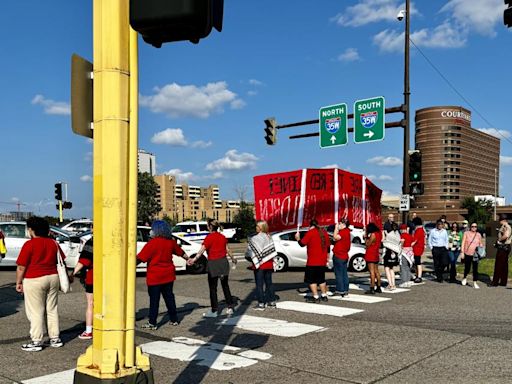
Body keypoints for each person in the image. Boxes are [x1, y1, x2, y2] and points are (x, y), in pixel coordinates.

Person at [15, 216, 65, 351]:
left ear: (31, 230)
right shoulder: (53, 243)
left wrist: (18, 282)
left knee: (36, 311)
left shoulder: (29, 244)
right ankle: (55, 338)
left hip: (34, 279)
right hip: (53, 277)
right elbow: (61, 260)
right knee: (52, 309)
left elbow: (21, 267)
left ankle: (36, 341)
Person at [137, 220, 190, 329]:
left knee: (154, 301)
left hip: (155, 276)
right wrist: (189, 259)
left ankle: (152, 322)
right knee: (169, 297)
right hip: (168, 275)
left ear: (155, 231)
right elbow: (181, 252)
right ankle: (174, 319)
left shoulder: (152, 244)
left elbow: (140, 258)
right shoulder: (170, 242)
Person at [188, 219, 237, 318]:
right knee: (225, 286)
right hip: (223, 263)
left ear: (210, 227)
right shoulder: (222, 237)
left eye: (207, 225)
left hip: (213, 264)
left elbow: (201, 251)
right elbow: (227, 249)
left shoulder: (209, 237)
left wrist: (194, 260)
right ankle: (230, 307)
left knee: (213, 288)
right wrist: (233, 258)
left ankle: (214, 311)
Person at [295, 219, 330, 303]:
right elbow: (328, 247)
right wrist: (327, 257)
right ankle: (324, 295)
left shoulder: (310, 233)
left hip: (312, 261)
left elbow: (302, 244)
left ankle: (316, 296)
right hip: (322, 261)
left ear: (310, 226)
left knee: (312, 280)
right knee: (321, 279)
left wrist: (297, 238)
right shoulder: (324, 232)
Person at [247, 220, 277, 310]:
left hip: (260, 265)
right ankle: (272, 302)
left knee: (259, 284)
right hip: (269, 263)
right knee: (269, 284)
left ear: (260, 227)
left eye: (257, 226)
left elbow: (250, 252)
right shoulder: (269, 237)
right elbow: (272, 250)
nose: (255, 228)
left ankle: (261, 304)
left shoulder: (254, 238)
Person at [70, 236, 94, 339]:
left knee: (91, 303)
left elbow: (84, 261)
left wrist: (72, 274)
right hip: (110, 277)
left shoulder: (92, 241)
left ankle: (89, 331)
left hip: (93, 276)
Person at [460, 222, 484, 289]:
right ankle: (465, 277)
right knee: (467, 267)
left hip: (475, 254)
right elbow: (463, 242)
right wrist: (462, 252)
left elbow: (480, 243)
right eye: (473, 226)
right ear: (470, 227)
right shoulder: (466, 233)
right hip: (467, 253)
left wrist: (481, 247)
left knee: (475, 269)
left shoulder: (478, 234)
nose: (474, 228)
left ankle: (475, 282)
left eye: (475, 226)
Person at [491, 214, 511, 287]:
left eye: (500, 220)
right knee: (504, 265)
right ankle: (503, 282)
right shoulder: (505, 226)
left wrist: (498, 240)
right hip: (506, 247)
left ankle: (495, 282)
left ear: (503, 220)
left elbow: (506, 235)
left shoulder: (506, 226)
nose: (499, 221)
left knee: (498, 265)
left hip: (503, 247)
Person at [332, 218, 351, 296]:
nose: (338, 225)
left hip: (339, 255)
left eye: (339, 224)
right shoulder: (347, 232)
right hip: (344, 255)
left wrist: (336, 228)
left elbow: (335, 237)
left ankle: (340, 290)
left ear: (343, 224)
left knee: (339, 274)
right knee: (344, 273)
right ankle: (345, 289)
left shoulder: (343, 232)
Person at [364, 222, 382, 294]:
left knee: (371, 271)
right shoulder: (378, 234)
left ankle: (372, 287)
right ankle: (378, 286)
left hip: (371, 253)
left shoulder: (373, 234)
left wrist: (365, 237)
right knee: (376, 271)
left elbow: (367, 244)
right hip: (376, 253)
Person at [382, 222, 400, 291]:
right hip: (395, 253)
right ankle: (394, 284)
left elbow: (384, 243)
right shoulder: (398, 234)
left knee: (387, 268)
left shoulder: (389, 235)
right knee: (391, 269)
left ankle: (390, 285)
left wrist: (383, 234)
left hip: (388, 252)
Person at [412, 217, 425, 283]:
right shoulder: (421, 229)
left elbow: (415, 240)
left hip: (417, 248)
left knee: (418, 262)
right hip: (419, 247)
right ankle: (417, 275)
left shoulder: (418, 230)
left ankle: (419, 276)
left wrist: (409, 245)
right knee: (416, 262)